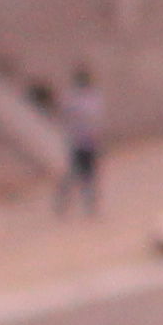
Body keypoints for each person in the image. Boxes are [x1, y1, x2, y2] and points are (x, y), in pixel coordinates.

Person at [57, 65, 105, 217]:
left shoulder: (89, 97)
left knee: (88, 175)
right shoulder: (76, 98)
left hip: (88, 142)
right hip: (79, 142)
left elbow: (95, 120)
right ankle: (64, 203)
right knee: (75, 174)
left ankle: (89, 205)